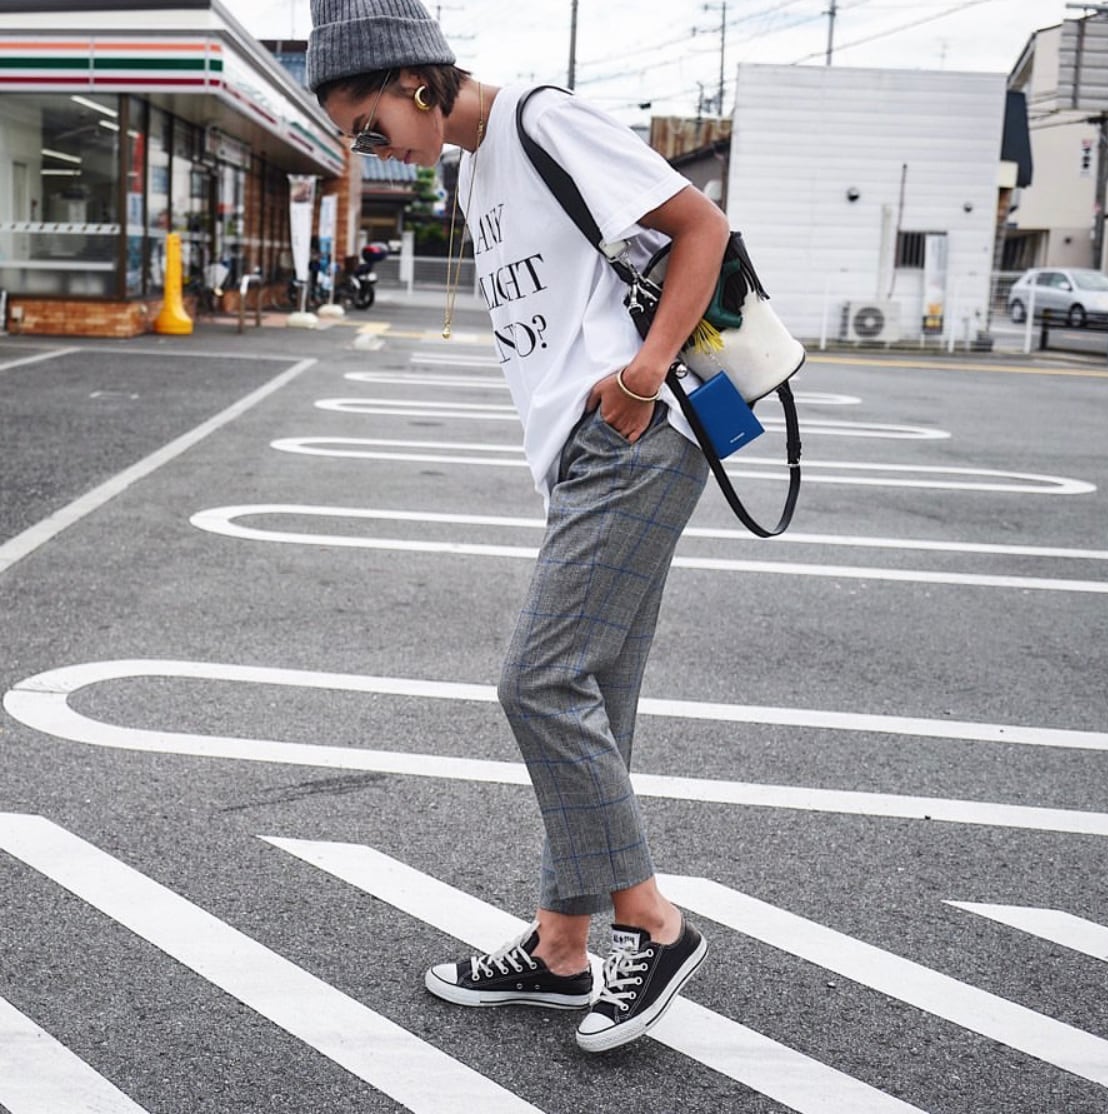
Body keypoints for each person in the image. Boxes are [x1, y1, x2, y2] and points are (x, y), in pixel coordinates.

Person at [307, 0, 730, 1053]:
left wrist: (638, 377)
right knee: (595, 696)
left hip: (637, 433)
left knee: (535, 682)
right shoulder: (468, 169)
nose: (371, 150)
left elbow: (701, 230)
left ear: (414, 79)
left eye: (366, 125)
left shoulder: (543, 120)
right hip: (580, 456)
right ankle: (559, 950)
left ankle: (654, 925)